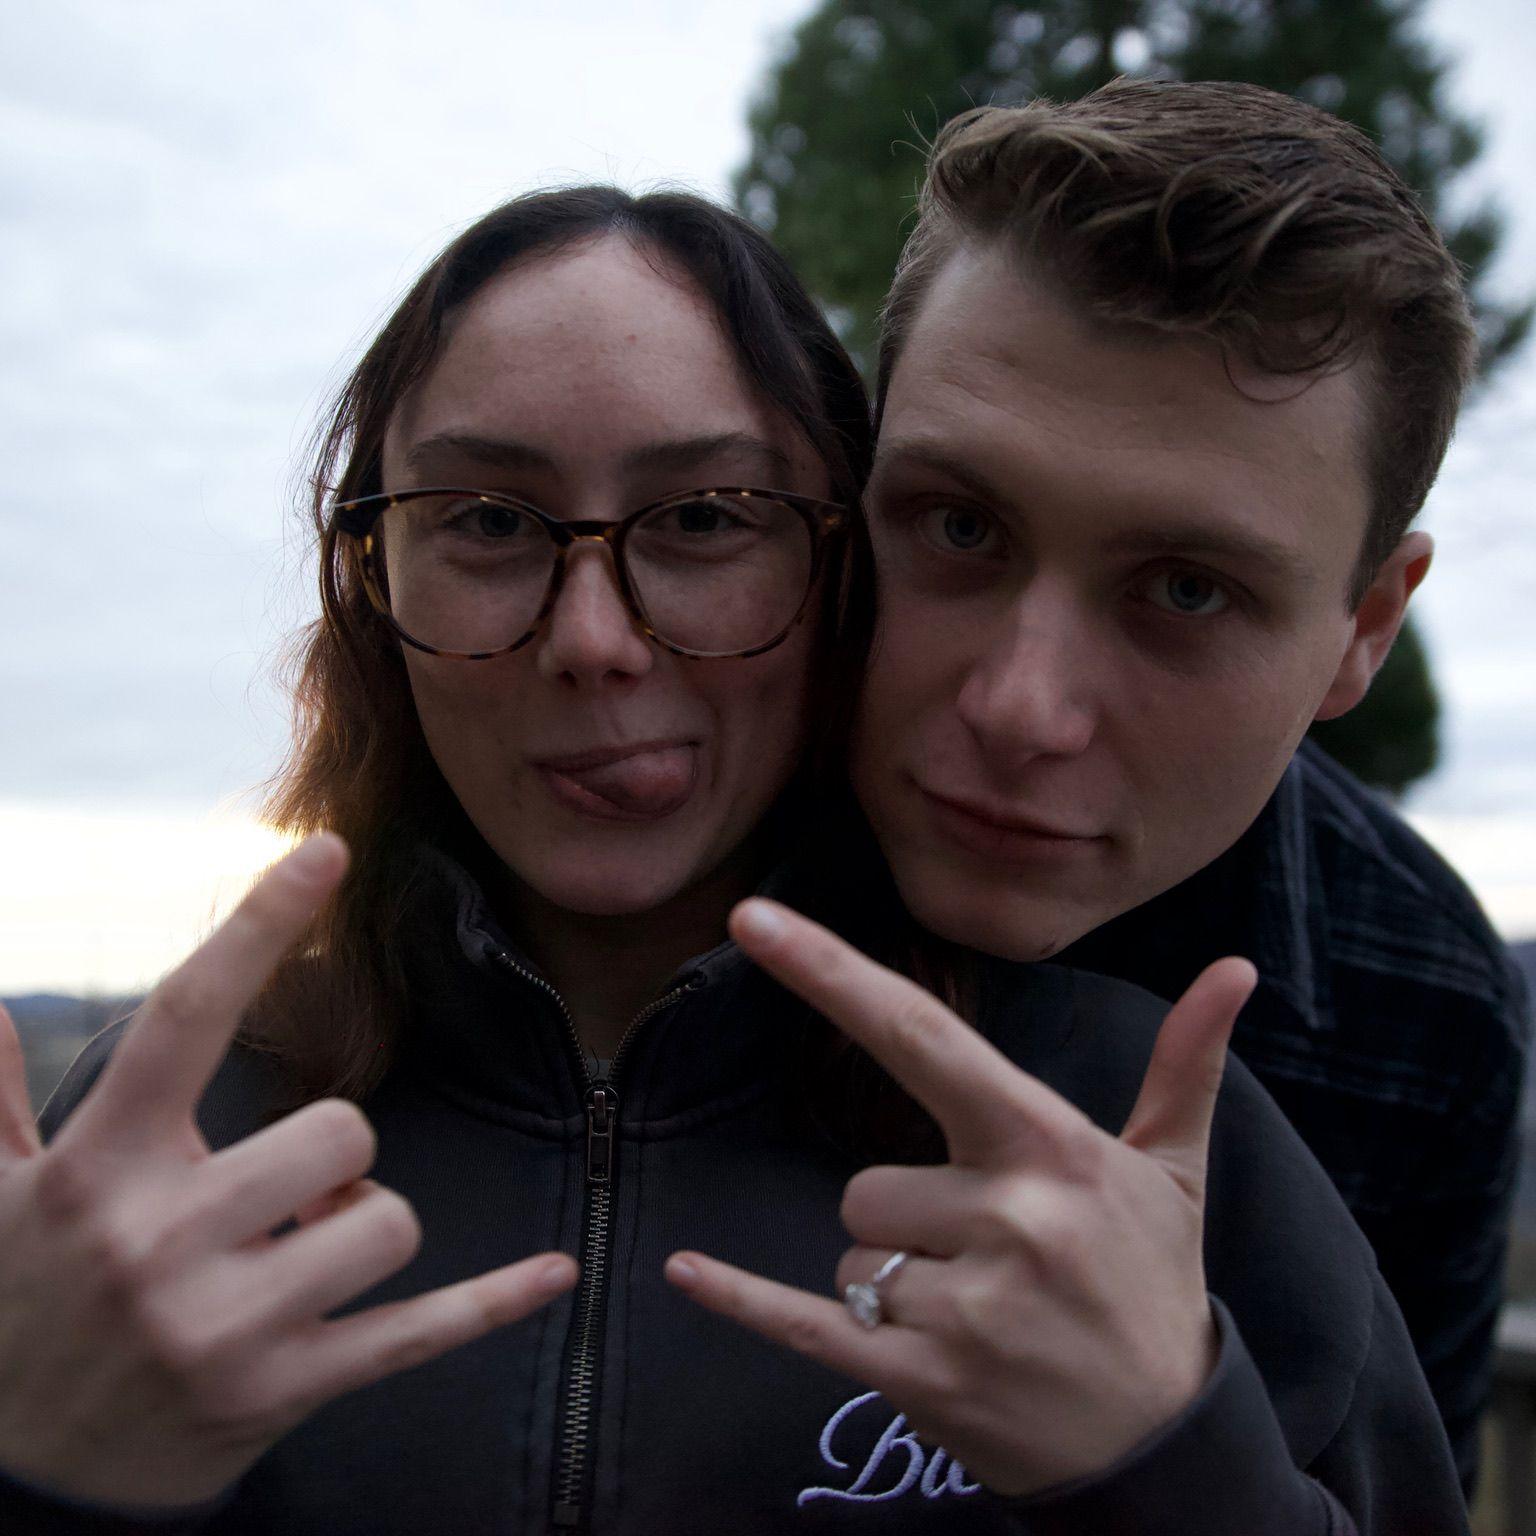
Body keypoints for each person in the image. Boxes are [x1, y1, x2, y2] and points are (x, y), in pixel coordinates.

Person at [0, 187, 1465, 1532]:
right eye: (488, 520)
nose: (592, 639)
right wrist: (53, 1478)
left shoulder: (1147, 1132)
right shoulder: (169, 1139)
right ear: (372, 576)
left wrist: (1173, 1469)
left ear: (841, 567)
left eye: (705, 518)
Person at [852, 76, 1531, 1494]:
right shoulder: (639, 837)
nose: (1021, 709)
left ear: (1366, 628)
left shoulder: (1422, 1004)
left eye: (1185, 590)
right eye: (958, 526)